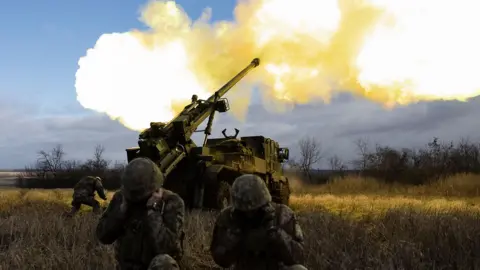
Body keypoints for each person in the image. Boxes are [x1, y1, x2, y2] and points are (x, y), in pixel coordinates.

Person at [96, 157, 185, 270]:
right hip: (126, 267)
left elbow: (166, 247)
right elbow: (103, 236)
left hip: (154, 267)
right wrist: (120, 213)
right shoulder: (121, 198)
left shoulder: (172, 202)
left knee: (164, 262)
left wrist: (153, 211)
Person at [210, 174, 307, 270]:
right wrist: (231, 243)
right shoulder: (227, 217)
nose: (250, 215)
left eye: (255, 210)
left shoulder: (282, 214)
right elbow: (220, 260)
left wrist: (280, 238)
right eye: (244, 212)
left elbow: (299, 256)